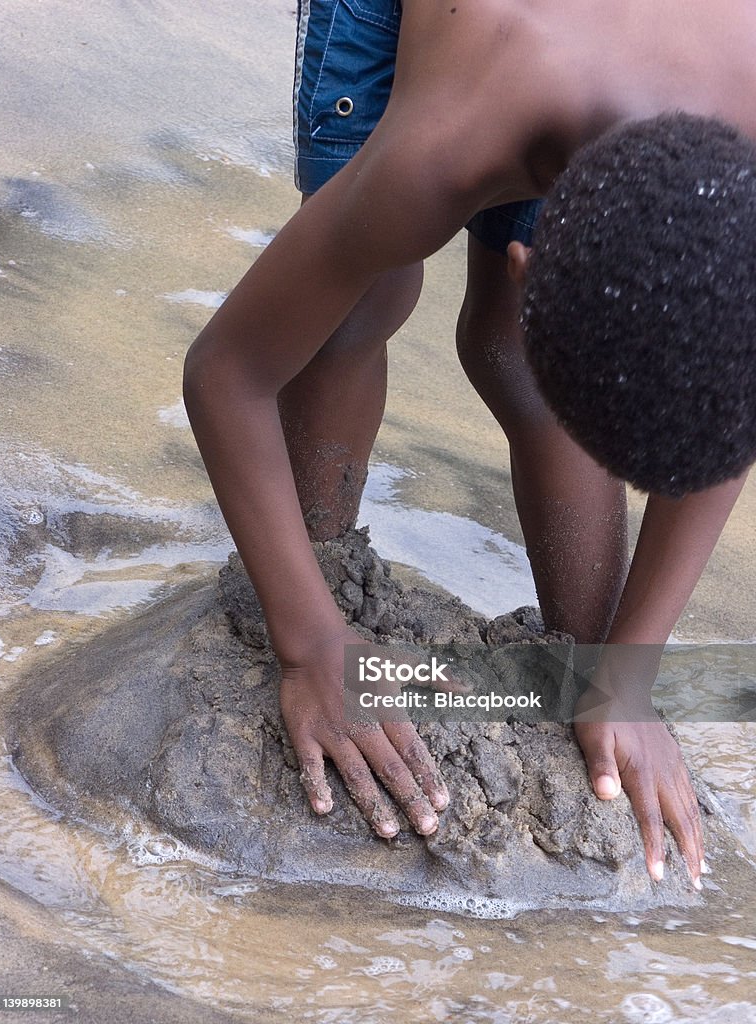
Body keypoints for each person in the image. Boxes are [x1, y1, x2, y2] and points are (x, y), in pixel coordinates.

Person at [183, 0, 756, 889]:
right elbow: (228, 371)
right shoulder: (439, 150)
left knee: (514, 356)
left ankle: (581, 669)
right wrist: (311, 644)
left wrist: (626, 668)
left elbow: (729, 405)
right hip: (466, 31)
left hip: (579, 57)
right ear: (534, 267)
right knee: (355, 307)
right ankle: (319, 577)